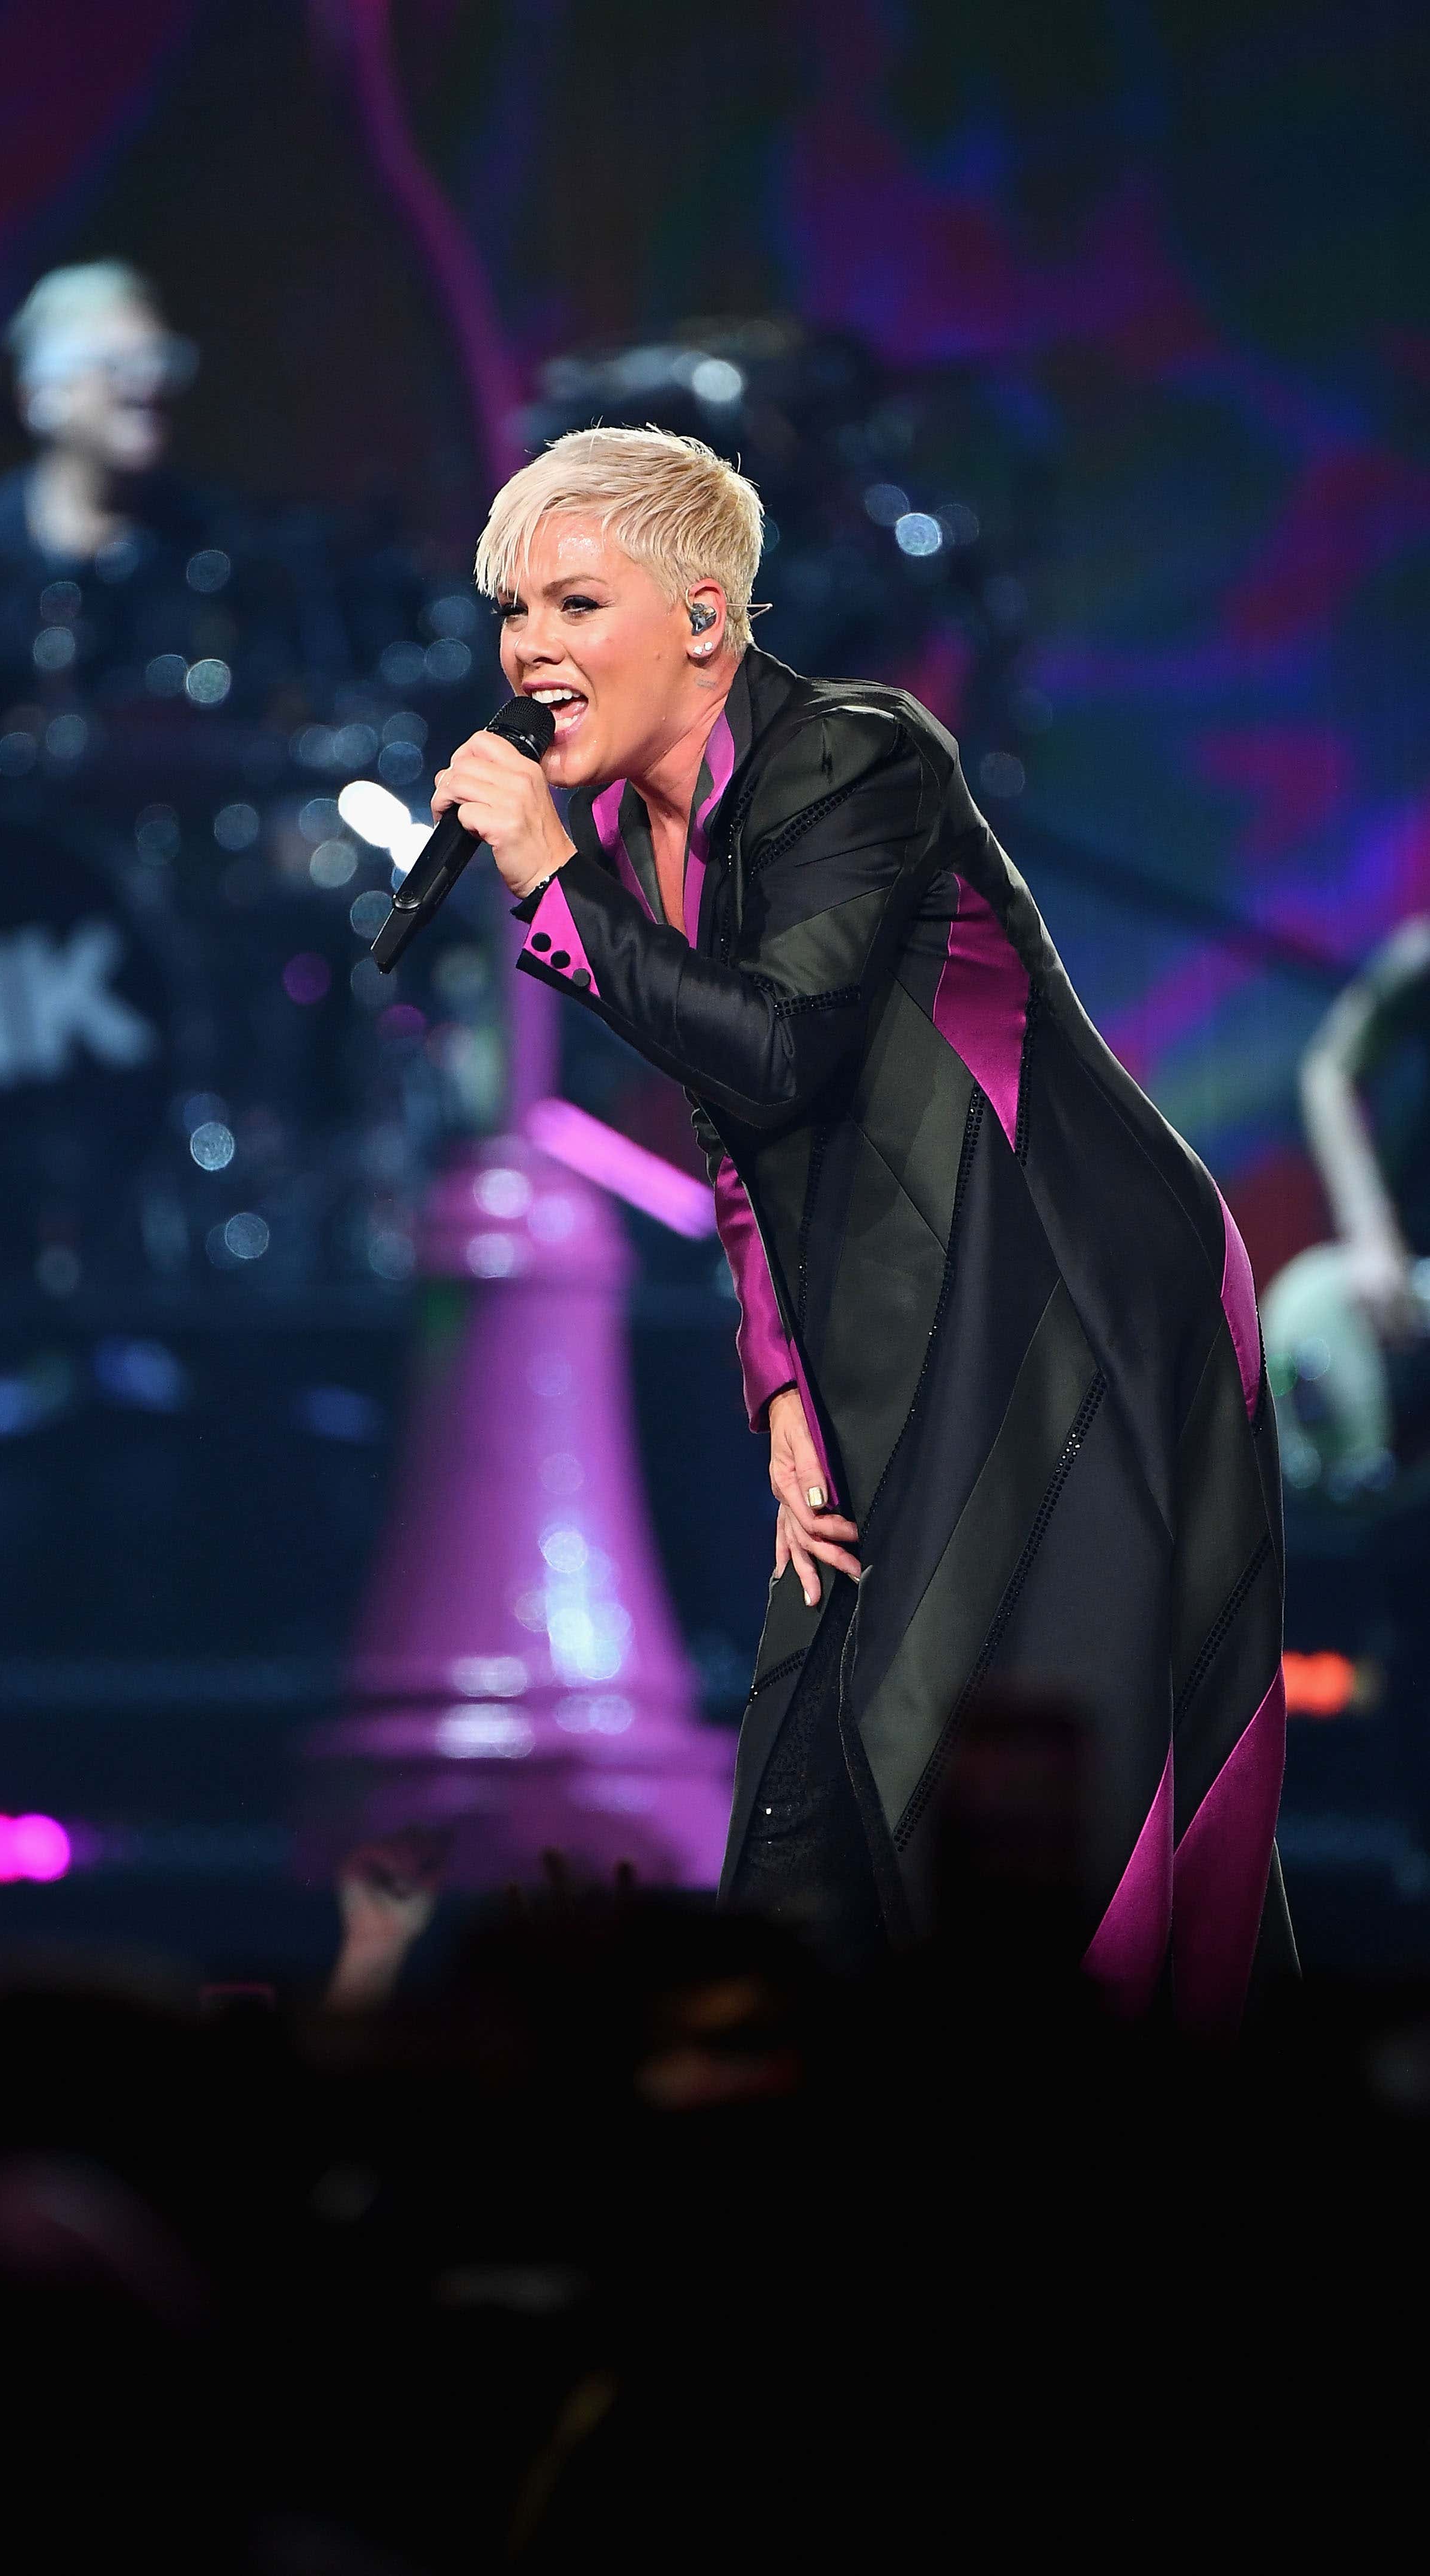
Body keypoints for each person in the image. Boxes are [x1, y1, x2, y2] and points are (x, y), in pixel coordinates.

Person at [430, 426, 1293, 2030]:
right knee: (821, 1740)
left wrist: (550, 884)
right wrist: (777, 1387)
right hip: (878, 1307)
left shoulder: (853, 757)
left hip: (1060, 1283)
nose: (526, 652)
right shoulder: (628, 837)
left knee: (1021, 1750)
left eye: (568, 604)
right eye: (510, 614)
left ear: (704, 617)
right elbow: (741, 1130)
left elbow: (780, 1043)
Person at [0, 260, 291, 709]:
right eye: (116, 366)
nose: (149, 383)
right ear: (40, 396)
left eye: (160, 359)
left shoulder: (218, 541)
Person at [1263, 917, 1430, 1498]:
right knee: (1304, 1314)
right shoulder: (1419, 961)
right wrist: (1371, 1234)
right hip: (1401, 1290)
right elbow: (1329, 1068)